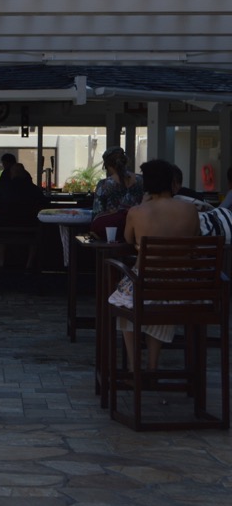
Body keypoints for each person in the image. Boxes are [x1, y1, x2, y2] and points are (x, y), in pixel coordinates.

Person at [107, 160, 200, 371]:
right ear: (172, 182)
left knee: (125, 302)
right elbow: (194, 238)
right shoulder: (190, 210)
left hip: (146, 283)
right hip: (182, 287)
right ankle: (152, 366)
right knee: (157, 299)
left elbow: (128, 239)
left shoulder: (138, 211)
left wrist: (142, 204)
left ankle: (134, 367)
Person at [92, 146, 144, 220]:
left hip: (112, 226)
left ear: (108, 166)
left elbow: (97, 215)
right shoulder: (141, 180)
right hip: (139, 224)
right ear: (125, 162)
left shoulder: (103, 185)